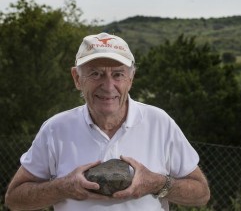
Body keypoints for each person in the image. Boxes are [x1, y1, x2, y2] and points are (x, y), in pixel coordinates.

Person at [5, 32, 210, 211]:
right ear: (77, 78)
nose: (108, 86)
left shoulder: (160, 123)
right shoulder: (55, 129)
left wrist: (156, 184)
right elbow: (15, 199)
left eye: (118, 74)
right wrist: (63, 187)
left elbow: (201, 194)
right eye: (96, 73)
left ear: (131, 79)